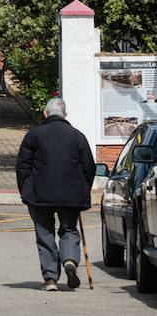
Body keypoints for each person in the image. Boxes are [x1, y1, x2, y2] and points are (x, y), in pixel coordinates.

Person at [16, 97, 97, 291]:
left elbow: (22, 166)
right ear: (65, 115)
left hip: (39, 194)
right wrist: (83, 190)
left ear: (45, 114)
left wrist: (25, 190)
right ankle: (69, 260)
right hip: (71, 194)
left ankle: (51, 279)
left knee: (45, 234)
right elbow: (89, 167)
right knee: (69, 230)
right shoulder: (77, 136)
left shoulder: (33, 135)